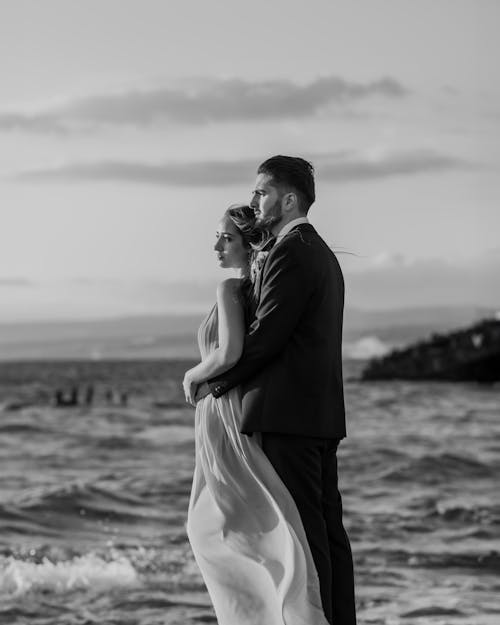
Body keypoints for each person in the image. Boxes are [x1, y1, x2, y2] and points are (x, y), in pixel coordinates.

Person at [191, 156, 356, 624]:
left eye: (261, 192)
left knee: (304, 535)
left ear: (288, 199)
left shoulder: (294, 249)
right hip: (317, 415)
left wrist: (211, 383)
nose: (255, 201)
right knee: (323, 533)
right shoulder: (318, 253)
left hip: (289, 416)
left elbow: (266, 337)